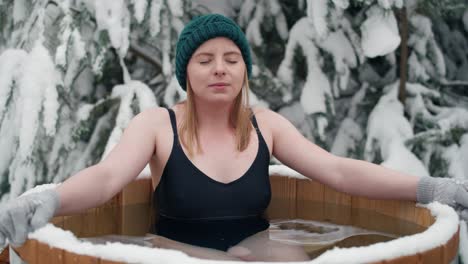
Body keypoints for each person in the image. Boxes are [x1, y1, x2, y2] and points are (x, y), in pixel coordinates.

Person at [0, 13, 467, 262]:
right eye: (205, 59)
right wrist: (53, 200)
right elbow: (106, 180)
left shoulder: (267, 125)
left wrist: (428, 188)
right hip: (173, 253)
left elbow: (339, 171)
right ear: (187, 71)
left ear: (244, 69)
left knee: (294, 261)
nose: (219, 68)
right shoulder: (158, 125)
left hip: (256, 246)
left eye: (231, 58)